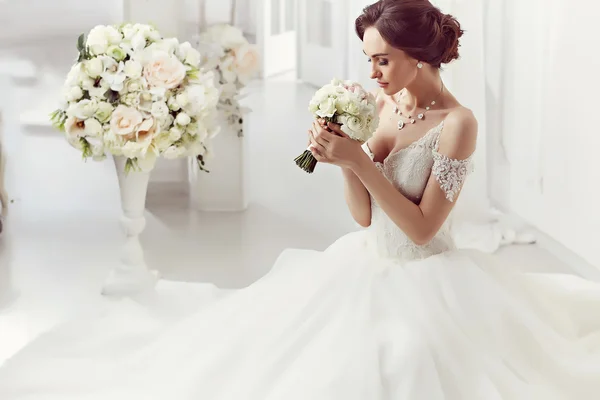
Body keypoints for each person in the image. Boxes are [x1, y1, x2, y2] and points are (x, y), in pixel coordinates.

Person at [0, 0, 599, 398]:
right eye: (368, 59)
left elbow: (420, 232)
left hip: (429, 274)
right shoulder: (388, 107)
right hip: (365, 263)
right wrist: (344, 160)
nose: (374, 74)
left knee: (407, 360)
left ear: (420, 56)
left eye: (383, 59)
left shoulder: (458, 124)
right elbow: (365, 216)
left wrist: (360, 159)